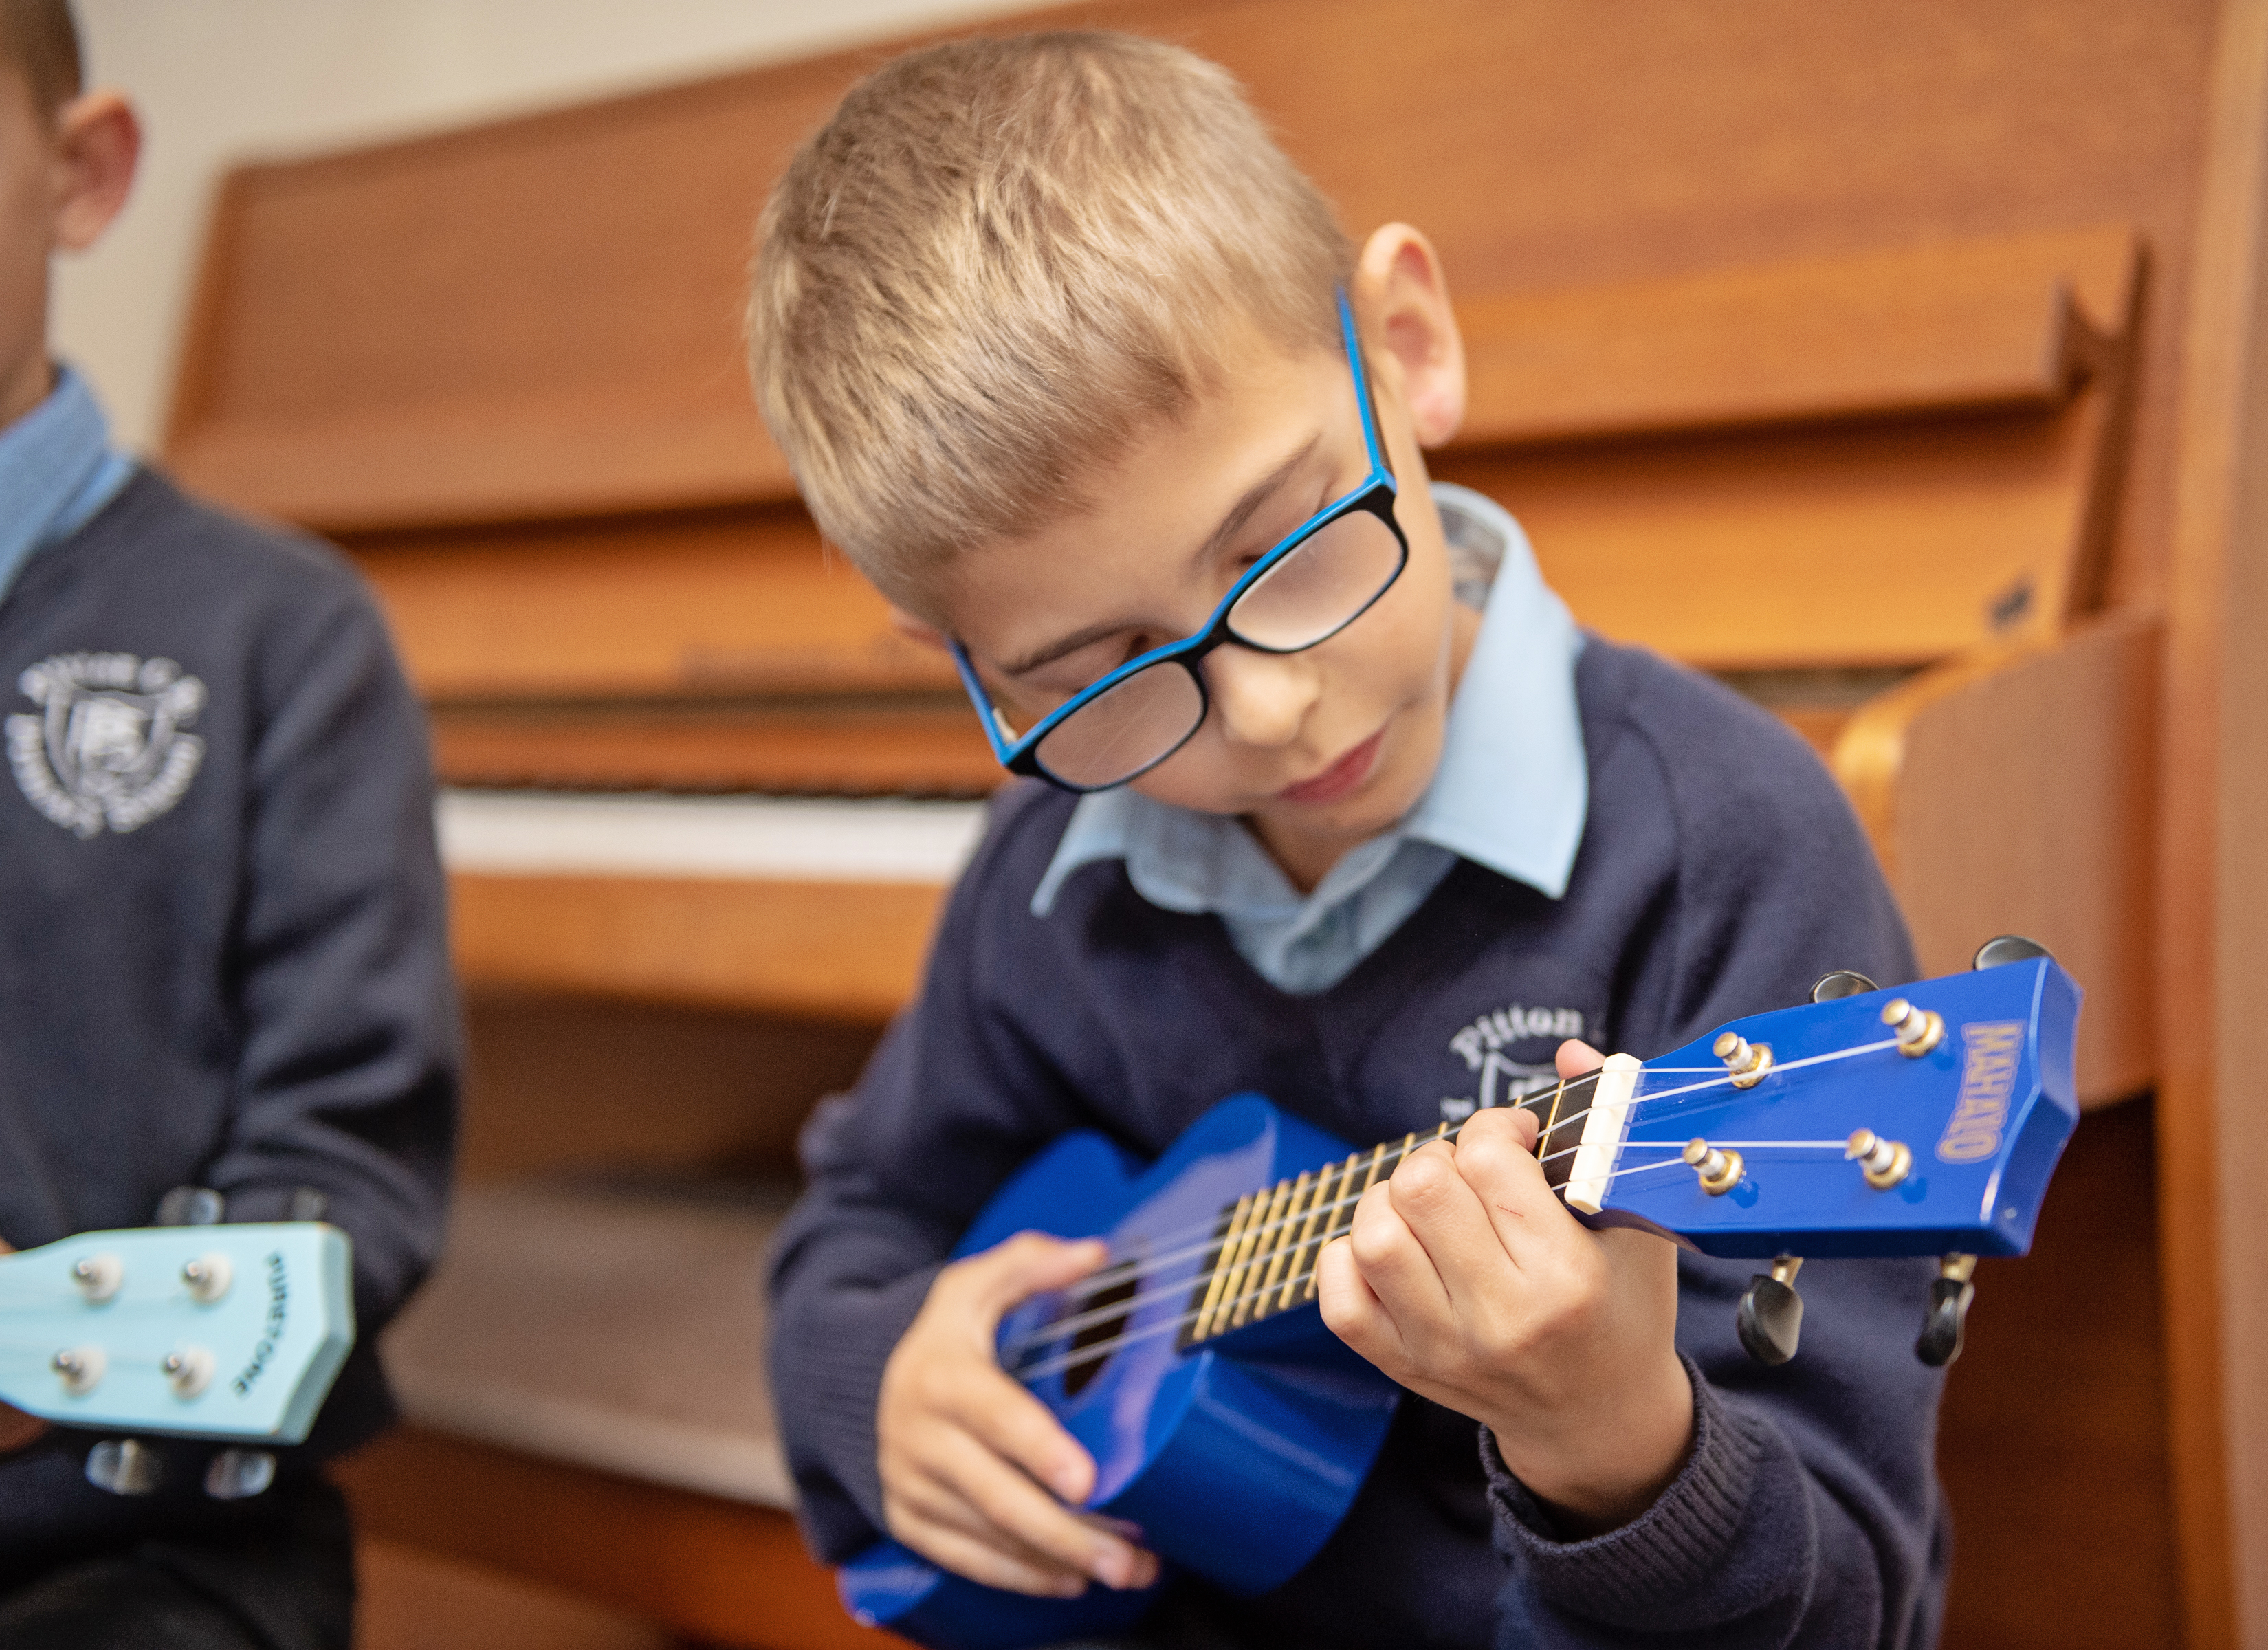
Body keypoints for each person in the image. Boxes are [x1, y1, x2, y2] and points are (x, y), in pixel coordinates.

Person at [755, 32, 1943, 1648]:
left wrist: (1615, 1450)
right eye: (1101, 669)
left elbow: (1848, 1600)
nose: (1265, 712)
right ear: (963, 661)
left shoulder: (1721, 851)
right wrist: (877, 1374)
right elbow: (862, 1219)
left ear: (1406, 348)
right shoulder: (1048, 871)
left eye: (1286, 543)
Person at [0, 3, 458, 1644]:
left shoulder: (281, 633)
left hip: (132, 1544)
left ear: (79, 173)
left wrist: (40, 1361)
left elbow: (344, 1169)